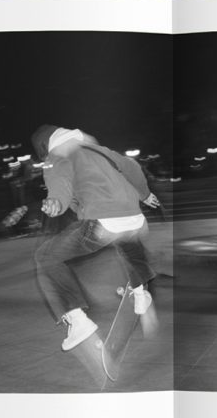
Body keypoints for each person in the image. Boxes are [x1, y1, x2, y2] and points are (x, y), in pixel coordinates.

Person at [31, 125, 161, 351]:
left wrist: (55, 202)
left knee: (46, 257)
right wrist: (145, 194)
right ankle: (141, 295)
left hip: (103, 223)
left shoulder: (57, 156)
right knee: (126, 240)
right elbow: (131, 167)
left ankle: (77, 320)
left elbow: (59, 184)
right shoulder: (99, 150)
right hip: (136, 220)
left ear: (45, 148)